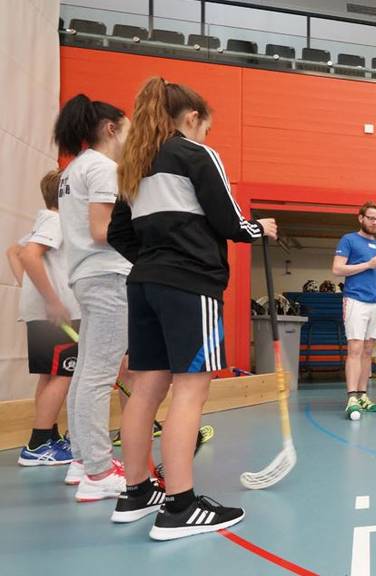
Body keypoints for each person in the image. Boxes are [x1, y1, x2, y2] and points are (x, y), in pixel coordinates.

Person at [107, 77, 276, 540]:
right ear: (192, 118)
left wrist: (153, 263)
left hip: (143, 286)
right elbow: (228, 219)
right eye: (206, 128)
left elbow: (118, 234)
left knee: (146, 389)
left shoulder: (134, 163)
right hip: (188, 286)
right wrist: (259, 228)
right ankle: (180, 504)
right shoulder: (195, 154)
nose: (207, 138)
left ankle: (137, 491)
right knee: (189, 391)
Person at [53, 94, 132, 502]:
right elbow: (103, 231)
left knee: (86, 371)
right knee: (100, 374)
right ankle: (99, 472)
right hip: (107, 276)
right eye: (128, 130)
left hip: (87, 275)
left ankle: (82, 460)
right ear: (110, 129)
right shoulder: (103, 167)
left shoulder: (73, 170)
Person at [9, 170, 78, 468]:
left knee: (49, 375)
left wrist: (33, 291)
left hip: (46, 316)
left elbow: (14, 252)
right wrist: (51, 300)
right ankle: (37, 445)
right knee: (64, 374)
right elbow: (27, 256)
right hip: (57, 316)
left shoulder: (45, 220)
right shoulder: (58, 221)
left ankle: (47, 436)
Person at [331, 202, 376, 420]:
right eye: (371, 218)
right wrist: (367, 265)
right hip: (355, 301)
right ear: (361, 218)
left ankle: (362, 395)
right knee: (355, 348)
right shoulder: (348, 240)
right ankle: (351, 397)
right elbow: (337, 269)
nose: (374, 222)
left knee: (369, 351)